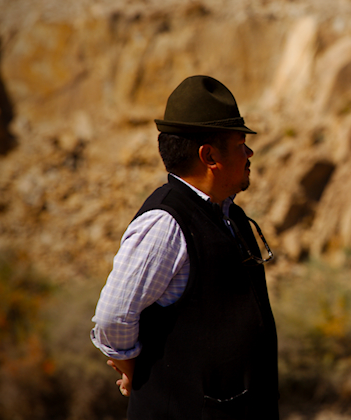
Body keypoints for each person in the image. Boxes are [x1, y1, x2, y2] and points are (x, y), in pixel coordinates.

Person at [91, 75, 279, 419]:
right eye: (241, 144)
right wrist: (131, 364)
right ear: (209, 155)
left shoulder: (228, 215)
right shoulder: (166, 224)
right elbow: (112, 317)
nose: (249, 153)